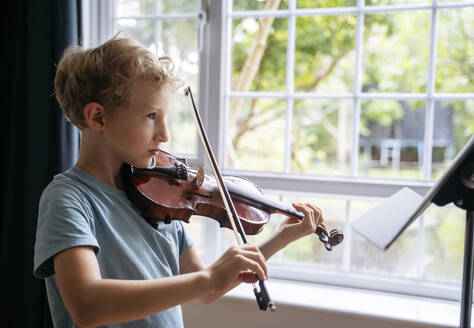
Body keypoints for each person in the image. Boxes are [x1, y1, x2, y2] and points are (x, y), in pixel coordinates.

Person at [33, 34, 325, 328]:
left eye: (164, 117)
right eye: (150, 116)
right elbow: (88, 305)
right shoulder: (67, 199)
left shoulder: (160, 195)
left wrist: (281, 238)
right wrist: (210, 278)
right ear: (97, 117)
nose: (165, 134)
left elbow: (207, 287)